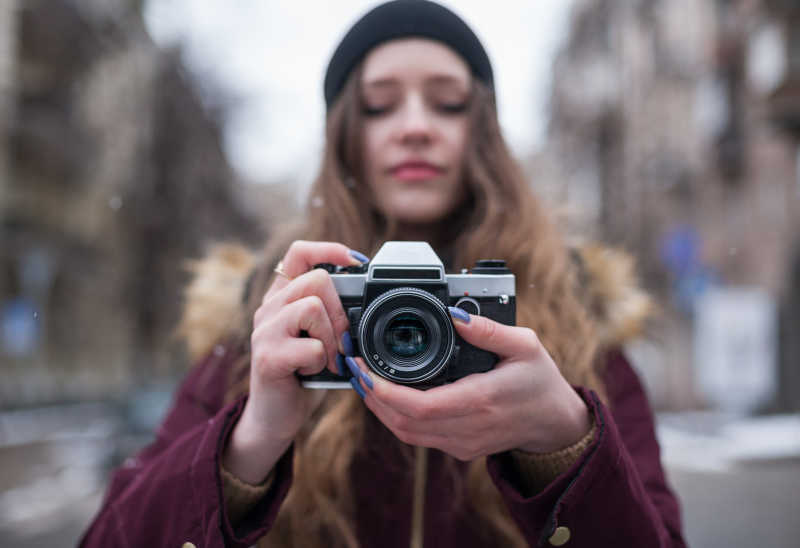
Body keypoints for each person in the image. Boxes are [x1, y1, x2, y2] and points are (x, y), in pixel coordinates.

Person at [80, 1, 686, 546]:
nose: (415, 126)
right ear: (345, 134)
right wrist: (249, 441)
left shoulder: (577, 319)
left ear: (483, 132)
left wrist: (562, 441)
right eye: (378, 104)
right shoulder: (267, 320)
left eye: (448, 101)